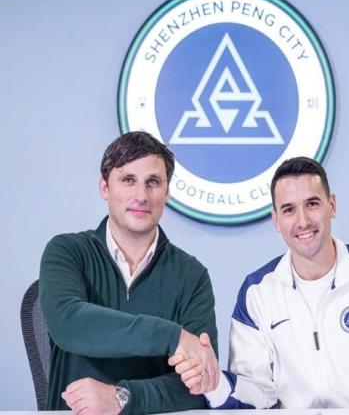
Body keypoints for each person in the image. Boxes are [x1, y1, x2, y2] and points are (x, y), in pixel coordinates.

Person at [169, 157, 349, 415]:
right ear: (276, 220)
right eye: (289, 210)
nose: (303, 221)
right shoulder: (257, 292)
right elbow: (255, 394)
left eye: (312, 204)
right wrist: (215, 384)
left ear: (331, 206)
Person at [40, 131, 220, 414]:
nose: (141, 196)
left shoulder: (192, 275)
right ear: (104, 188)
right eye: (128, 180)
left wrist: (123, 398)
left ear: (167, 193)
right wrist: (173, 337)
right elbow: (68, 322)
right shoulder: (67, 251)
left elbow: (200, 385)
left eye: (153, 182)